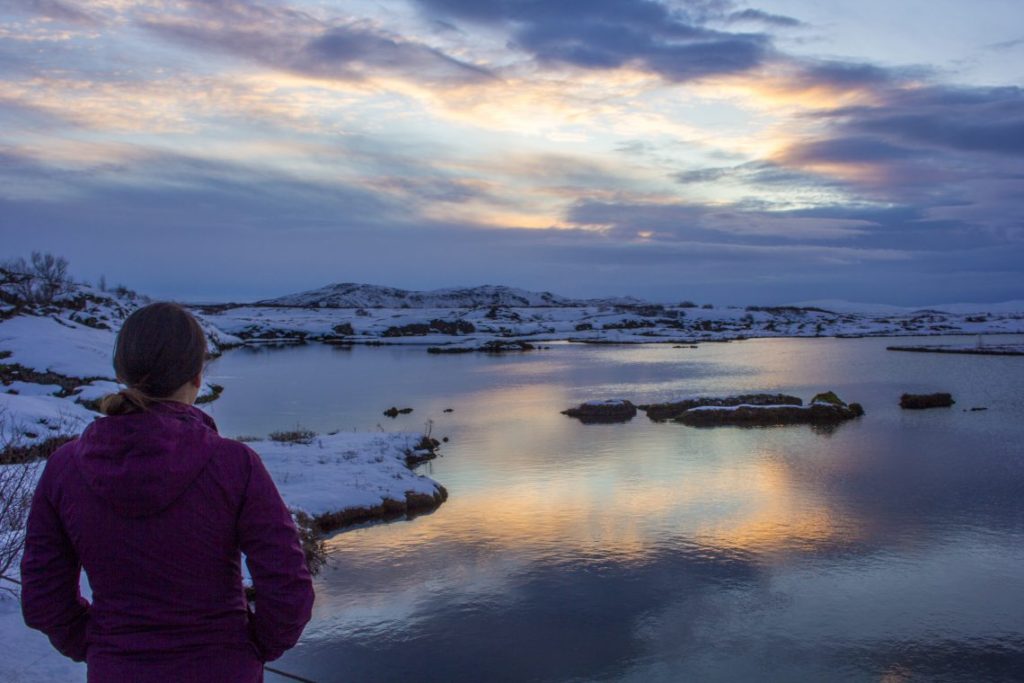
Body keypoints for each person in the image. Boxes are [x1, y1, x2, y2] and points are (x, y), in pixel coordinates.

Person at [20, 302, 315, 682]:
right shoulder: (234, 465)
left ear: (121, 372)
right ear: (197, 376)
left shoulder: (65, 469)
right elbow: (289, 592)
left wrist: (102, 645)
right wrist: (250, 648)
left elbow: (43, 599)